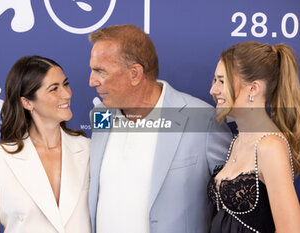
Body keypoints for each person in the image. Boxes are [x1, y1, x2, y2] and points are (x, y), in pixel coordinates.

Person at [87, 24, 232, 233]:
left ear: (135, 74)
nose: (92, 81)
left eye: (100, 71)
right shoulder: (100, 114)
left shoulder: (202, 120)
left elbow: (235, 204)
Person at [0, 56, 91, 233]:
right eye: (54, 89)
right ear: (27, 102)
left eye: (65, 84)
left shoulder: (88, 149)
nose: (67, 94)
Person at [208, 41, 300, 233]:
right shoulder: (237, 142)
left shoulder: (270, 147)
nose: (213, 90)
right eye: (214, 80)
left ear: (253, 88)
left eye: (222, 81)